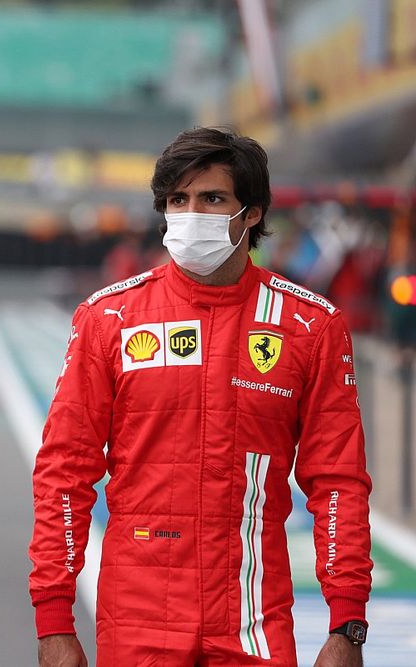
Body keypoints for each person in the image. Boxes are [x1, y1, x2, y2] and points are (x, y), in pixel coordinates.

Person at [29, 127, 372, 667]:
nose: (191, 214)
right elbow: (63, 472)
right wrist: (53, 619)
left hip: (254, 618)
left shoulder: (310, 326)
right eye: (177, 200)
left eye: (212, 198)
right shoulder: (109, 319)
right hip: (138, 622)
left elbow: (338, 483)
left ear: (252, 213)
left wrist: (348, 623)